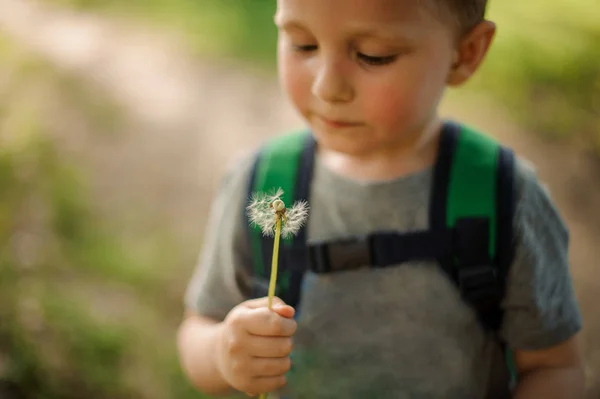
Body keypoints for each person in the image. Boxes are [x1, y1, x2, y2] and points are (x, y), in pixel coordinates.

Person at [176, 0, 586, 398]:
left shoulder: (502, 196)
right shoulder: (265, 185)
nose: (327, 87)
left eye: (373, 55)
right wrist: (222, 353)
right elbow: (198, 329)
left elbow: (555, 367)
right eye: (303, 44)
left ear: (465, 53)